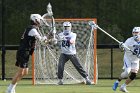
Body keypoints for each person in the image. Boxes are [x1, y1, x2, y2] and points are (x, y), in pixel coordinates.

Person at [6, 14, 48, 93]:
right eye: (39, 20)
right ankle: (9, 89)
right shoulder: (32, 29)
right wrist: (47, 38)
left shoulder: (33, 29)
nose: (40, 22)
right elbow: (42, 41)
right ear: (35, 20)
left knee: (25, 72)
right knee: (20, 72)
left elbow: (41, 42)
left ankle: (12, 87)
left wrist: (48, 39)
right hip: (23, 52)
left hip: (25, 52)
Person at [112, 27, 140, 92]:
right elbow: (122, 49)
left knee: (133, 75)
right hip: (128, 58)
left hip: (136, 60)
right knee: (127, 72)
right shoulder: (129, 40)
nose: (135, 34)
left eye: (137, 32)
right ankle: (117, 81)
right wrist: (121, 46)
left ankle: (123, 86)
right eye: (134, 32)